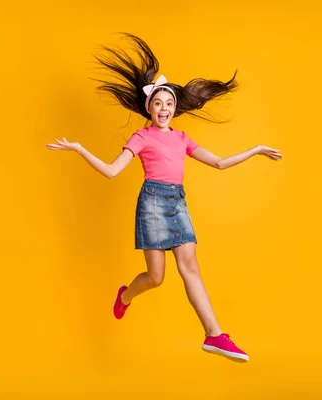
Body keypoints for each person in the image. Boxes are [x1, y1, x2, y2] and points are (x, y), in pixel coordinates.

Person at [46, 34, 282, 363]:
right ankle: (125, 296)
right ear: (150, 108)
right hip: (153, 205)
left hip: (177, 203)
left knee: (191, 268)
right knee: (156, 277)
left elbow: (218, 163)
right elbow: (113, 172)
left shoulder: (182, 138)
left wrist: (255, 150)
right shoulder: (141, 137)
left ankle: (215, 335)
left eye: (169, 104)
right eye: (158, 103)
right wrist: (79, 148)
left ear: (175, 110)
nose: (164, 109)